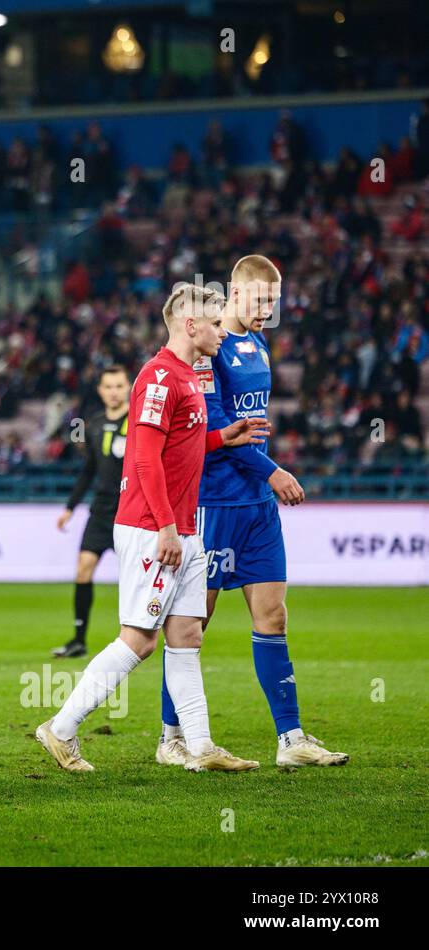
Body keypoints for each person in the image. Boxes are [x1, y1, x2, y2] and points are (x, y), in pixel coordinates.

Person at [35, 284, 266, 773]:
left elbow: (180, 449)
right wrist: (164, 527)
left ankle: (201, 748)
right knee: (138, 639)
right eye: (214, 322)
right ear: (189, 325)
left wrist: (221, 438)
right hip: (152, 527)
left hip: (184, 527)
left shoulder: (187, 377)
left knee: (187, 635)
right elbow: (143, 459)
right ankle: (60, 728)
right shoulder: (160, 376)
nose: (222, 331)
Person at [158, 255, 347, 768]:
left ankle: (292, 740)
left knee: (273, 616)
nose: (268, 309)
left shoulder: (259, 344)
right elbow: (215, 424)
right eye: (260, 300)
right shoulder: (209, 349)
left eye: (275, 301)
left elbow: (252, 424)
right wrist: (272, 471)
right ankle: (171, 737)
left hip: (258, 507)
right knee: (194, 624)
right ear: (235, 295)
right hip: (215, 503)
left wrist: (265, 476)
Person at [53, 365, 130, 658]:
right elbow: (88, 471)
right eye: (108, 386)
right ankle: (78, 639)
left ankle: (136, 637)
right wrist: (70, 508)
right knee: (83, 569)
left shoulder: (138, 423)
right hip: (100, 511)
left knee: (135, 577)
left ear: (128, 388)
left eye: (119, 386)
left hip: (130, 511)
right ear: (100, 390)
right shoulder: (93, 424)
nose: (113, 391)